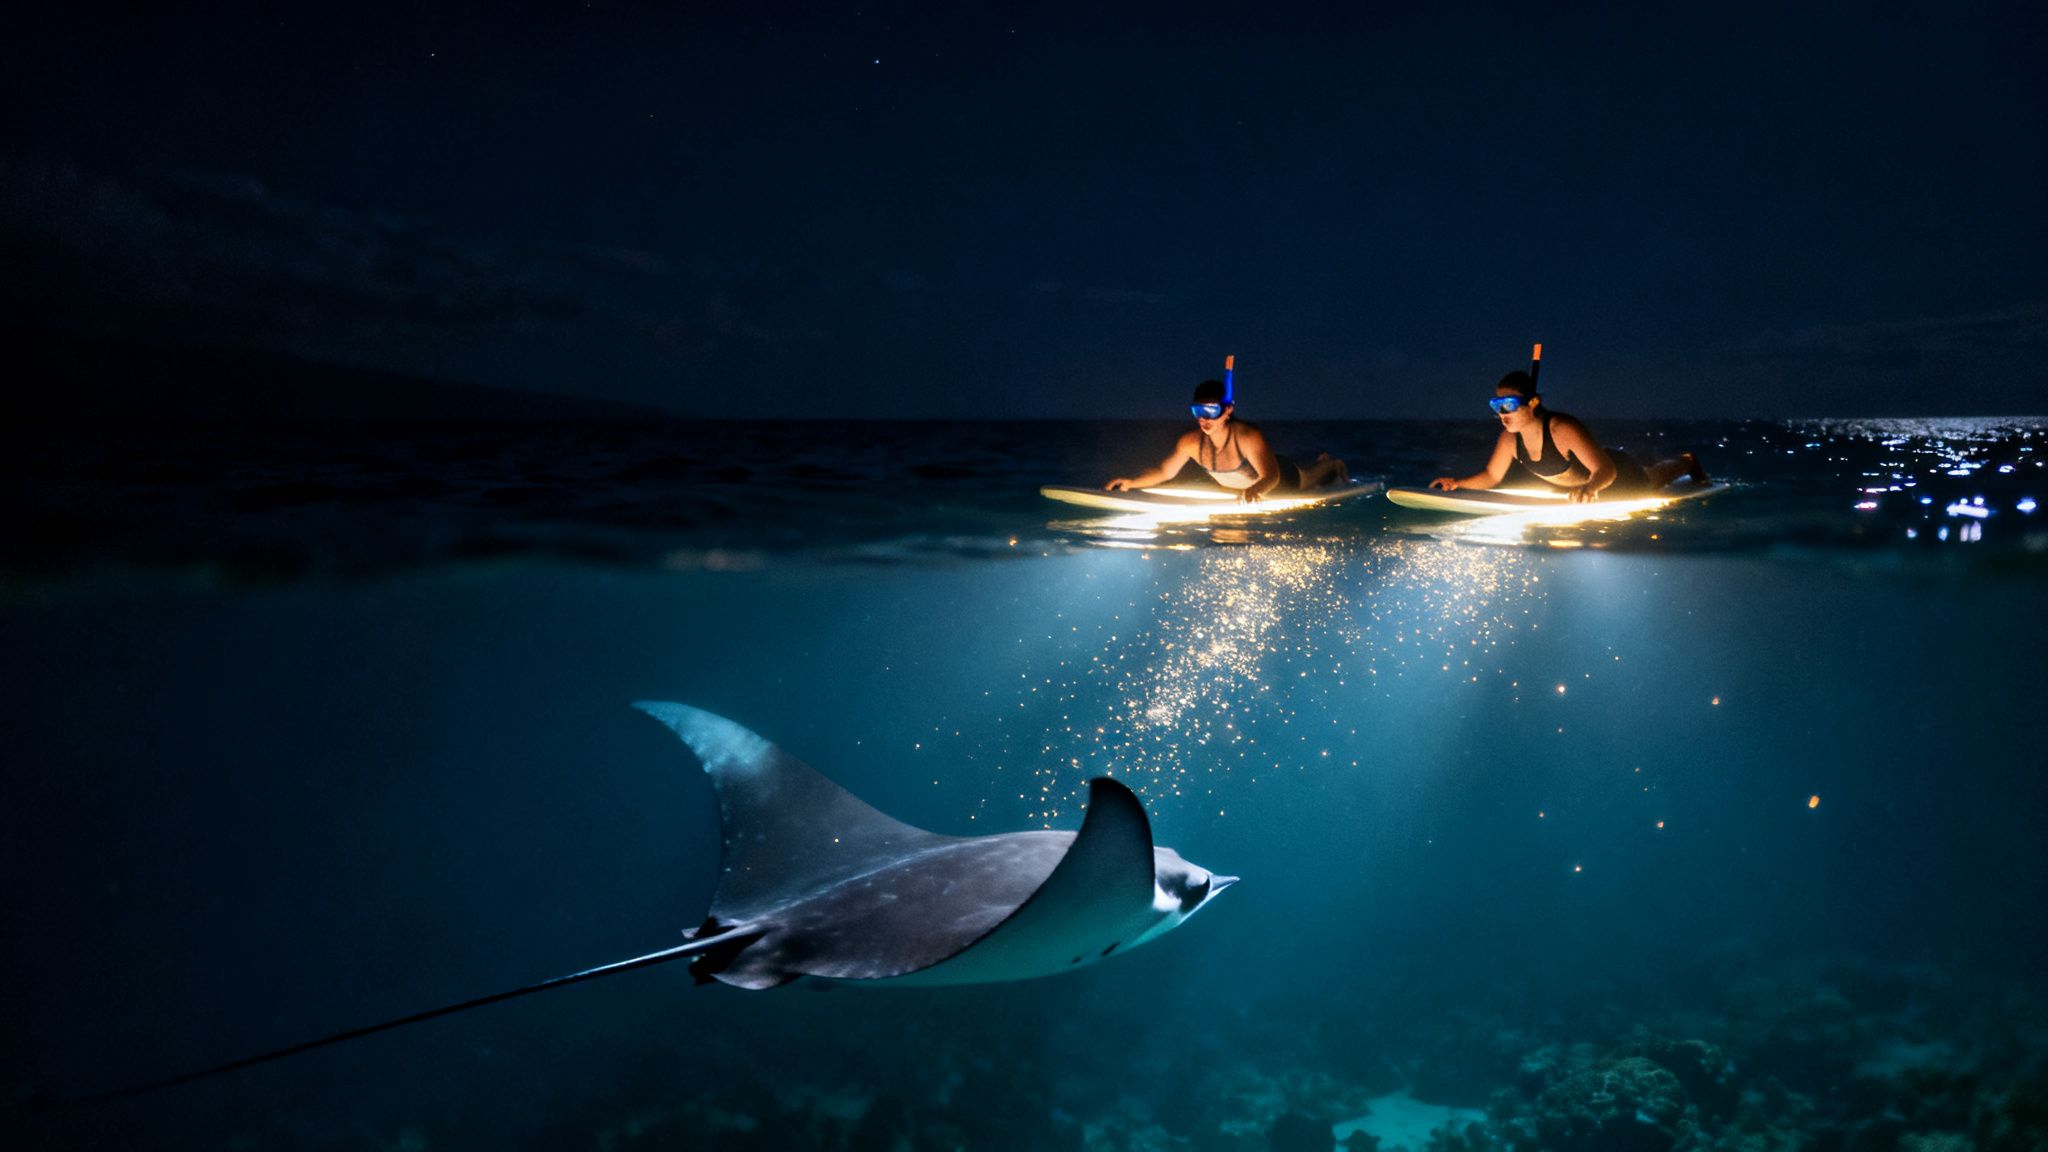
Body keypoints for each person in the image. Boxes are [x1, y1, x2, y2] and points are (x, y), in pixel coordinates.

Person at [1430, 371, 1708, 503]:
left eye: (1509, 405)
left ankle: (1686, 461)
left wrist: (1590, 488)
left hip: (1616, 475)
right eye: (1496, 406)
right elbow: (1492, 476)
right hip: (1580, 489)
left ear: (1533, 403)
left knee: (1651, 480)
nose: (1502, 413)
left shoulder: (1562, 429)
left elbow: (1605, 469)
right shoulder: (1509, 439)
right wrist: (1457, 484)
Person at [1106, 380, 1348, 503]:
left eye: (1210, 411)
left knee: (1310, 479)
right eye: (1197, 411)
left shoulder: (1247, 436)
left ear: (1227, 410)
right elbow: (1164, 471)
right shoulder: (1191, 442)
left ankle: (1329, 464)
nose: (1204, 419)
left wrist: (1253, 491)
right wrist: (1132, 482)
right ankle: (1322, 462)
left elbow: (1271, 477)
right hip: (1241, 489)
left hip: (1280, 479)